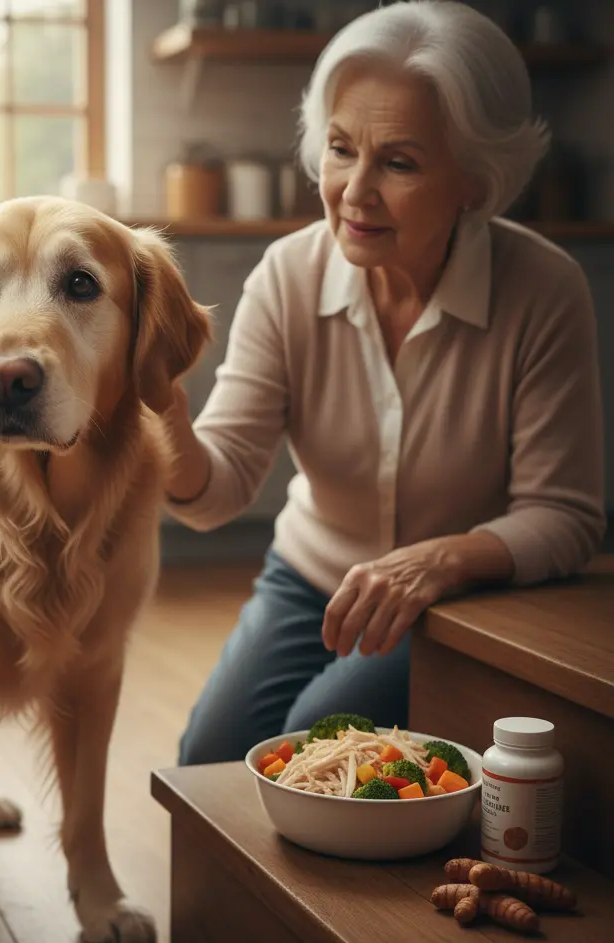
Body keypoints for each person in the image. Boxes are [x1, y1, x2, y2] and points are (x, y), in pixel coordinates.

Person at [163, 0, 606, 766]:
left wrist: (442, 559)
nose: (353, 191)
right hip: (310, 579)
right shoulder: (287, 275)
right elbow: (221, 487)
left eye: (398, 162)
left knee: (311, 744)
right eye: (340, 149)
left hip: (459, 599)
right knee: (208, 758)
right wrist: (166, 420)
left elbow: (563, 516)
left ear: (475, 179)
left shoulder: (545, 288)